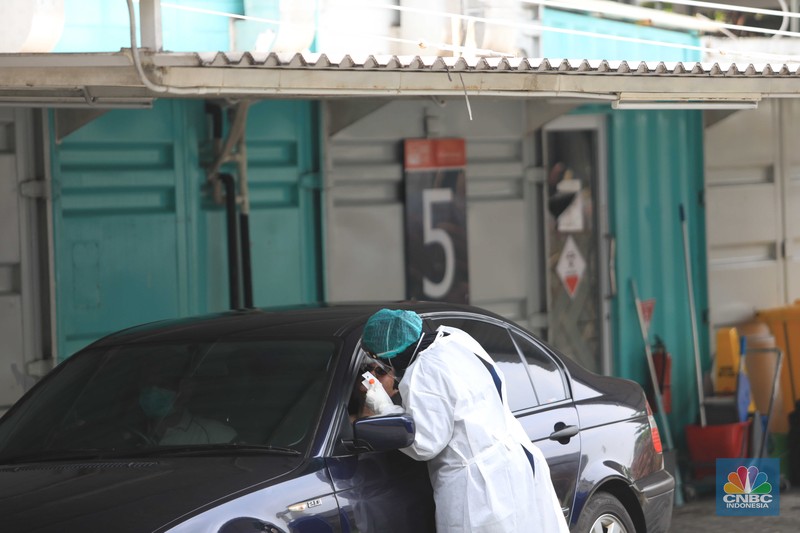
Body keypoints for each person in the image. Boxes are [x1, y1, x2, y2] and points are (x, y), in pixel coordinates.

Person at [360, 308, 569, 533]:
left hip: (479, 487)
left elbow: (424, 442)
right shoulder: (453, 339)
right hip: (512, 458)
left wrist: (383, 406)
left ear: (390, 353)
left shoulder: (423, 372)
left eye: (380, 361)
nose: (384, 366)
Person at [138, 375, 237, 445]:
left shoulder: (215, 435)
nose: (153, 391)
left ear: (184, 392)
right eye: (148, 385)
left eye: (162, 386)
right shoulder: (132, 436)